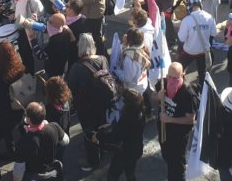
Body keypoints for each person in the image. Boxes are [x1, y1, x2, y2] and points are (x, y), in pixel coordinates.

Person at [65, 33, 109, 172]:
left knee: (89, 132)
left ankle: (93, 161)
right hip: (104, 102)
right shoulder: (102, 59)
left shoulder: (77, 67)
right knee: (102, 126)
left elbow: (69, 87)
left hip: (86, 106)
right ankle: (104, 147)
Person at [92, 88, 146, 181]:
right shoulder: (139, 111)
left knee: (112, 176)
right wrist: (112, 125)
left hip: (124, 153)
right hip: (136, 149)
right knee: (130, 172)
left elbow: (115, 136)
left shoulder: (127, 118)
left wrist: (98, 136)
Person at [0, 40, 27, 159]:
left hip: (5, 104)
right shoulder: (19, 63)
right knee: (21, 122)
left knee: (7, 130)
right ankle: (27, 142)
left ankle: (11, 151)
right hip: (19, 98)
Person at [158, 62, 196, 181]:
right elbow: (153, 98)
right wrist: (158, 97)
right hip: (164, 133)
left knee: (178, 167)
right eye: (169, 76)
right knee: (168, 158)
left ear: (183, 74)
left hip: (178, 137)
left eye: (175, 78)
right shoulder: (164, 83)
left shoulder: (188, 93)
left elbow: (190, 120)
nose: (171, 80)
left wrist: (170, 119)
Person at [13, 102, 69, 181]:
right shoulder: (54, 126)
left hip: (34, 175)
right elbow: (66, 141)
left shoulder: (23, 141)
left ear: (28, 120)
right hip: (52, 170)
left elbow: (19, 169)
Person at [177, 0, 217, 84]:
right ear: (200, 4)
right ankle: (203, 93)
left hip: (189, 51)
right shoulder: (210, 17)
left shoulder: (186, 20)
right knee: (203, 74)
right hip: (203, 51)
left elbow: (181, 39)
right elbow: (213, 34)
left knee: (178, 69)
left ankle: (181, 87)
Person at [27, 13, 73, 77]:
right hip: (62, 66)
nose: (47, 22)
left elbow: (40, 55)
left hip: (53, 71)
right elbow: (47, 29)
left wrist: (32, 39)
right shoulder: (64, 31)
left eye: (50, 21)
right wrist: (36, 22)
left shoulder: (55, 42)